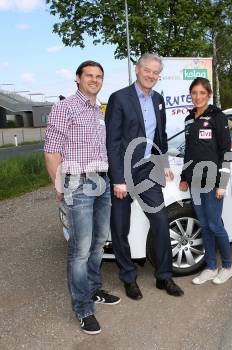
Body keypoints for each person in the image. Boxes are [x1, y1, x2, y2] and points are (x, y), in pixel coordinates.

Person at [44, 60, 120, 335]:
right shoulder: (65, 108)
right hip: (77, 183)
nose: (94, 80)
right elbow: (51, 150)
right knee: (80, 249)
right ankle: (83, 309)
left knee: (99, 243)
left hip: (101, 180)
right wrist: (60, 186)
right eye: (89, 75)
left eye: (98, 76)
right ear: (77, 78)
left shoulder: (99, 111)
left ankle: (94, 288)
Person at [105, 53, 184, 299]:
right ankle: (128, 278)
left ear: (159, 76)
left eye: (155, 72)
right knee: (120, 227)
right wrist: (118, 179)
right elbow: (112, 141)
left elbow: (159, 136)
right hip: (123, 172)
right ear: (138, 70)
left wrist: (162, 163)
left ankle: (164, 276)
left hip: (148, 170)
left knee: (160, 221)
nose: (150, 75)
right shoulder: (119, 98)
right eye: (147, 70)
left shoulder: (159, 99)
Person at [179, 77, 232, 285]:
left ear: (208, 94)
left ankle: (228, 266)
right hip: (194, 181)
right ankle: (211, 267)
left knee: (214, 224)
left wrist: (222, 183)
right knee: (204, 224)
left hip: (213, 180)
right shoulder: (188, 119)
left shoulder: (217, 117)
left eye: (202, 93)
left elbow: (225, 152)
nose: (198, 97)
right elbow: (188, 152)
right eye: (194, 93)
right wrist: (185, 176)